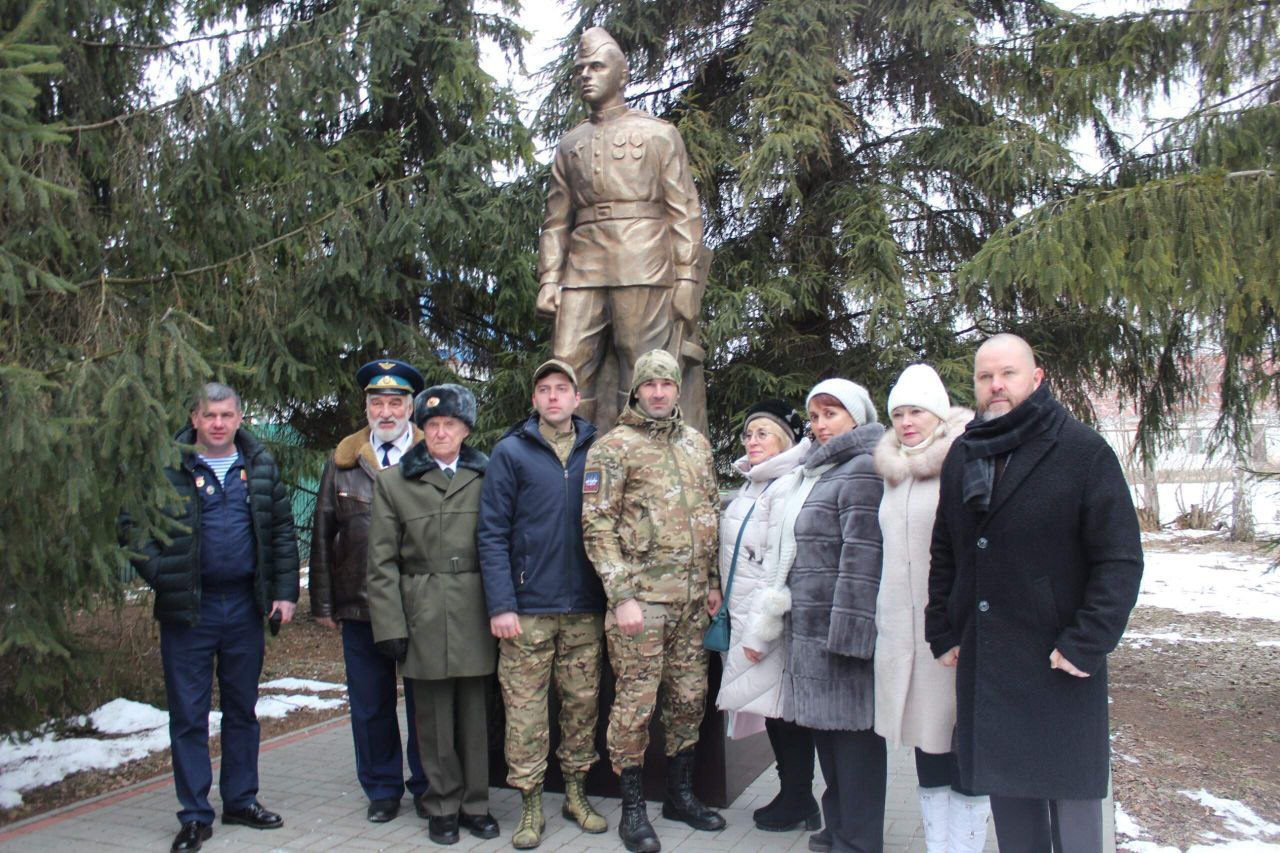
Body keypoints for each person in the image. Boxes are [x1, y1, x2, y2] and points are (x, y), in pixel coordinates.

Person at [927, 334, 1143, 853]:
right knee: (1013, 812)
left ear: (1036, 378)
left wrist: (1086, 642)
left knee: (1074, 821)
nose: (996, 385)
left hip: (1057, 663)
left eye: (1008, 373)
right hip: (989, 663)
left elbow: (1119, 559)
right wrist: (943, 628)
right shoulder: (964, 453)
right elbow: (946, 549)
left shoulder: (1081, 451)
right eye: (984, 377)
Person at [129, 382, 299, 853]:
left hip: (245, 606)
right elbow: (134, 525)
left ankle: (241, 799)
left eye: (227, 415)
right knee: (188, 714)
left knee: (242, 710)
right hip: (190, 609)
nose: (219, 423)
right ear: (195, 418)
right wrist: (166, 574)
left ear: (240, 418)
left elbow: (281, 530)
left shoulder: (259, 464)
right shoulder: (170, 466)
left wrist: (285, 592)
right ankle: (194, 815)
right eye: (210, 415)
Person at [580, 348, 723, 853]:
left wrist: (711, 582)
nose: (659, 393)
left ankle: (680, 796)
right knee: (636, 706)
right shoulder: (613, 448)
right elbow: (597, 528)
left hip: (690, 604)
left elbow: (709, 513)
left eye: (666, 384)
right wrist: (621, 596)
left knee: (688, 700)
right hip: (641, 604)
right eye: (650, 385)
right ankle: (634, 809)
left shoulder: (696, 445)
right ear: (636, 390)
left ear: (675, 389)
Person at [536, 26, 705, 432]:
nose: (586, 75)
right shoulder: (570, 142)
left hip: (643, 260)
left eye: (596, 67)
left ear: (621, 75)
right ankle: (569, 458)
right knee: (567, 363)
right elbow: (556, 221)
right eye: (581, 69)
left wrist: (685, 278)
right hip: (582, 267)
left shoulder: (659, 134)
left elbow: (684, 212)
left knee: (644, 364)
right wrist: (549, 279)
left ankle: (643, 455)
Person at [477, 359, 609, 849]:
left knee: (581, 706)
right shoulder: (511, 453)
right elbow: (491, 534)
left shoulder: (601, 450)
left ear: (577, 398)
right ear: (534, 401)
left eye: (562, 389)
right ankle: (531, 802)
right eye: (544, 390)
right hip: (527, 609)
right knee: (526, 711)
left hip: (584, 608)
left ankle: (576, 792)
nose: (554, 398)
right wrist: (501, 604)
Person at [754, 378, 886, 853]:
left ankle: (861, 838)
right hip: (811, 634)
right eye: (814, 416)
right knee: (829, 740)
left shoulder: (865, 468)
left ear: (857, 415)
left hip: (842, 633)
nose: (820, 425)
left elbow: (863, 556)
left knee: (855, 745)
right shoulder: (825, 470)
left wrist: (850, 636)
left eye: (831, 413)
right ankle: (839, 826)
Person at [367, 383, 498, 846]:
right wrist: (390, 627)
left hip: (476, 606)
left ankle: (476, 804)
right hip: (421, 607)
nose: (441, 432)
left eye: (450, 424)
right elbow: (381, 563)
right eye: (432, 425)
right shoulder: (392, 483)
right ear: (420, 430)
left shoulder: (489, 475)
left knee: (475, 716)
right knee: (432, 717)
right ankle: (441, 805)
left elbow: (502, 541)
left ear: (465, 429)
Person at [871, 364, 987, 851]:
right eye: (897, 412)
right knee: (925, 741)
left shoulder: (963, 461)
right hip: (901, 633)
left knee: (962, 743)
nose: (906, 421)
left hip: (949, 630)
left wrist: (959, 623)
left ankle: (966, 845)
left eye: (916, 410)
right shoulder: (893, 471)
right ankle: (939, 844)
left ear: (939, 413)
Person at [309, 358, 429, 823]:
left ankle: (425, 784)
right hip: (359, 605)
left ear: (410, 407)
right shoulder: (343, 462)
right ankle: (381, 788)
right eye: (376, 402)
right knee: (369, 702)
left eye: (395, 402)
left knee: (425, 702)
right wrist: (323, 603)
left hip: (418, 603)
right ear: (366, 407)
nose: (385, 411)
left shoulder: (432, 456)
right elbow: (322, 534)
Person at [713, 399, 820, 833]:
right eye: (749, 434)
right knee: (772, 709)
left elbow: (781, 564)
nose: (752, 441)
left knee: (786, 712)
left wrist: (761, 630)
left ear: (787, 440)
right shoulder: (754, 484)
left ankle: (799, 797)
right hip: (742, 612)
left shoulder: (788, 484)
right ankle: (794, 793)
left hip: (769, 622)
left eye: (763, 434)